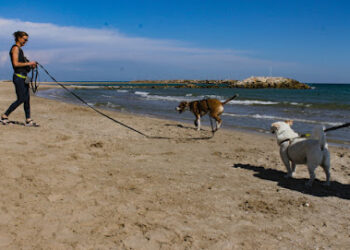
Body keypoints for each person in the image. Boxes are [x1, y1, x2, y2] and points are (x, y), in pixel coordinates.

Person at [1, 31, 39, 126]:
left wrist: (31, 66)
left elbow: (23, 66)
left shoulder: (21, 50)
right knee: (21, 98)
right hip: (18, 77)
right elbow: (16, 64)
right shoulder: (15, 48)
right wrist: (29, 63)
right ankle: (4, 115)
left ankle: (28, 120)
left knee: (27, 99)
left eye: (27, 40)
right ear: (19, 37)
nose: (25, 41)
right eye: (24, 39)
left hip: (25, 77)